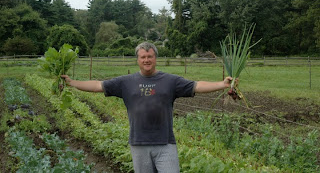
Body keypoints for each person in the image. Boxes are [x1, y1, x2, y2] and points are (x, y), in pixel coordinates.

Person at [61, 42, 234, 173]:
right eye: (143, 57)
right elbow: (98, 85)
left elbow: (197, 86)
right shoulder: (125, 82)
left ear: (155, 58)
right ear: (137, 59)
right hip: (139, 143)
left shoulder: (171, 81)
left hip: (165, 143)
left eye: (150, 56)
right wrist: (72, 83)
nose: (146, 60)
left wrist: (222, 84)